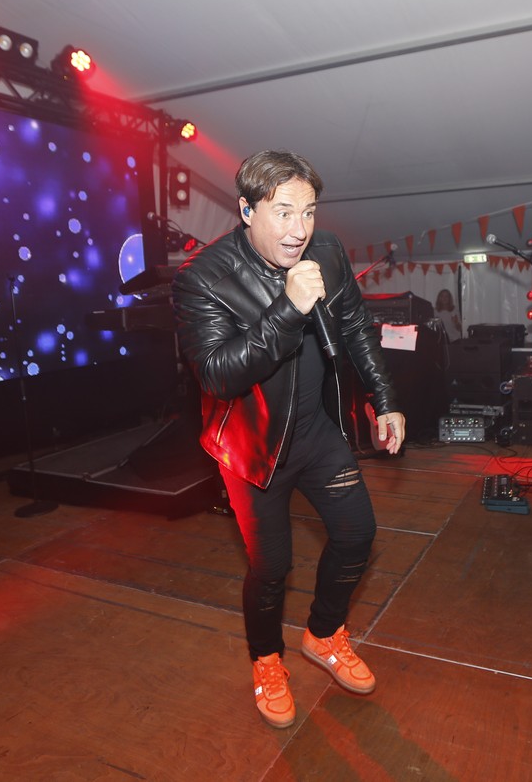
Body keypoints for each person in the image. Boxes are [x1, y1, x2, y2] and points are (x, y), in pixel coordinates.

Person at [171, 149, 406, 729]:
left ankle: (323, 634)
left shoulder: (327, 250)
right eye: (283, 213)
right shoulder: (204, 278)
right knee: (272, 566)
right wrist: (288, 309)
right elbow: (217, 375)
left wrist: (385, 399)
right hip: (251, 448)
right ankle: (267, 660)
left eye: (309, 212)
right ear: (246, 210)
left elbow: (356, 326)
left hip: (316, 431)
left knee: (358, 534)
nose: (299, 229)